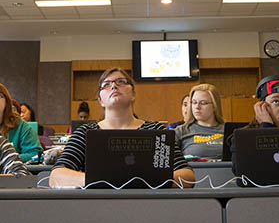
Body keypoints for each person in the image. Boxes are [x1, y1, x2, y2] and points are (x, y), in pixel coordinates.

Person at [50, 67, 195, 188]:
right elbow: (56, 176)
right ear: (100, 100)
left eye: (120, 82)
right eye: (106, 84)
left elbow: (187, 176)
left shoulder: (157, 130)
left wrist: (142, 181)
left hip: (149, 206)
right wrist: (103, 181)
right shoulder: (85, 133)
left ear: (133, 94)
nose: (113, 86)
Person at [175, 85, 224, 159]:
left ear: (214, 105)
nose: (197, 107)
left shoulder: (229, 131)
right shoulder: (181, 131)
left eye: (203, 103)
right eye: (194, 102)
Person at [0, 84, 43, 163]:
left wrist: (8, 159)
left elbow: (35, 153)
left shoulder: (22, 127)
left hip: (13, 172)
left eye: (0, 95)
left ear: (6, 101)